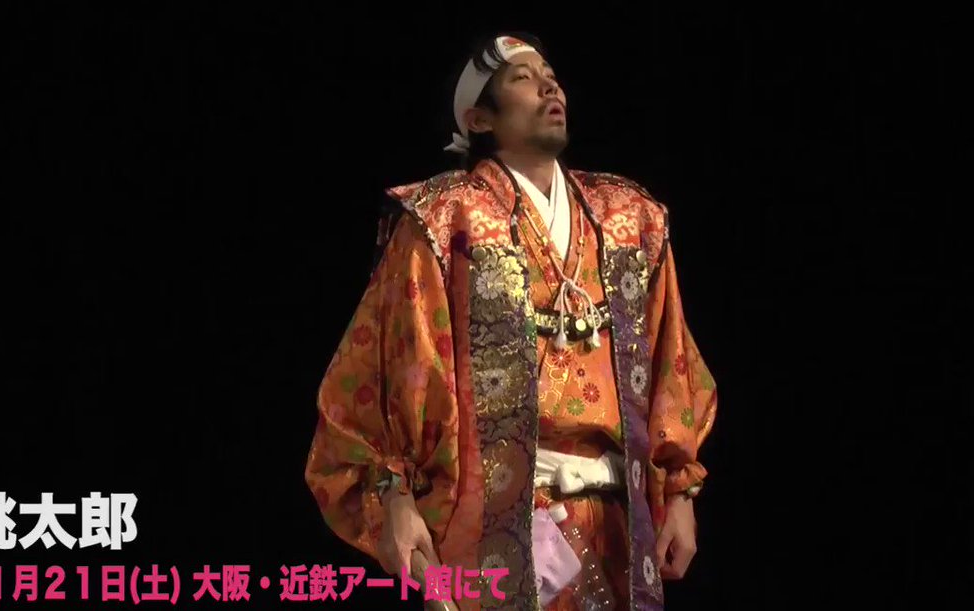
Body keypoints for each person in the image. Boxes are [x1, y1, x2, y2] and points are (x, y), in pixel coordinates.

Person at [304, 32, 717, 610]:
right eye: (523, 78)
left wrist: (679, 492)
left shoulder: (630, 218)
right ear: (479, 119)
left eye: (551, 75)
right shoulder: (444, 222)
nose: (549, 86)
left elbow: (672, 360)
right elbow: (386, 372)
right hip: (493, 526)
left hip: (618, 526)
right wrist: (395, 499)